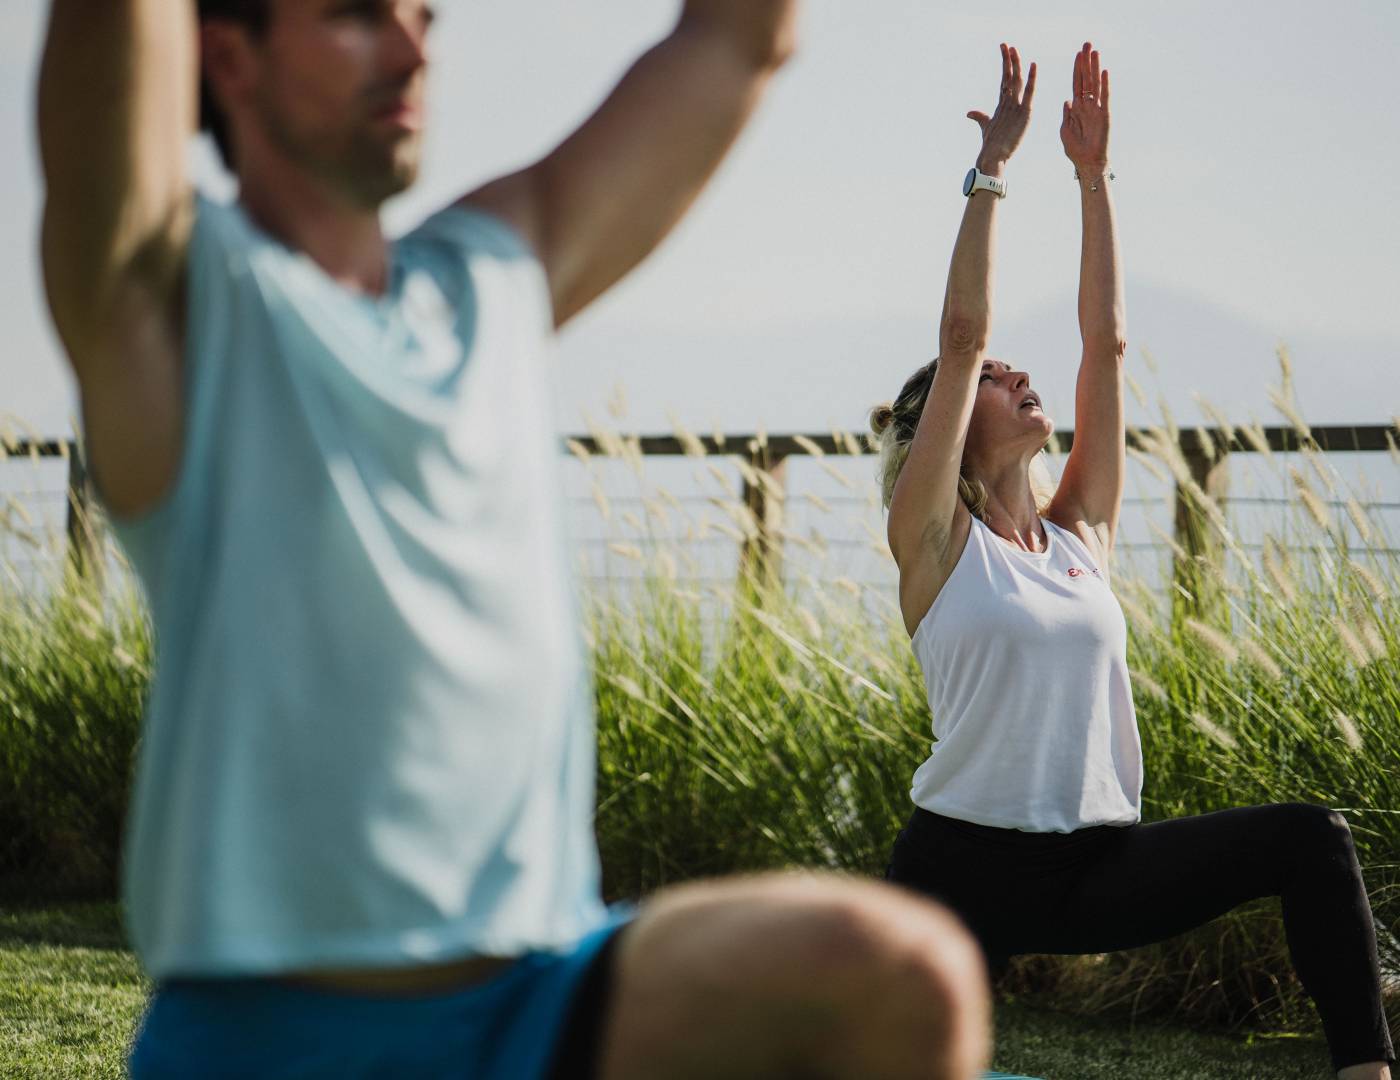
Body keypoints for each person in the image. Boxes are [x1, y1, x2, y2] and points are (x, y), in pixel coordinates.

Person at [36, 1, 996, 1077]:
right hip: (271, 1030)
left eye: (423, 17)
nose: (410, 51)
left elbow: (737, 41)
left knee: (898, 974)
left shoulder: (493, 277)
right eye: (355, 17)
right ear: (227, 55)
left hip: (541, 993)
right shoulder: (174, 300)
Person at [873, 40, 1394, 1080]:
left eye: (1015, 372)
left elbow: (1102, 345)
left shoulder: (1080, 538)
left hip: (1095, 862)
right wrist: (995, 173)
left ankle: (1364, 1073)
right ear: (941, 420)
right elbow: (966, 328)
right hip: (958, 873)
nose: (1015, 374)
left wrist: (1090, 176)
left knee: (1310, 836)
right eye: (987, 379)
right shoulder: (934, 543)